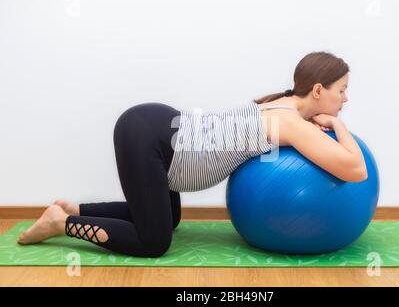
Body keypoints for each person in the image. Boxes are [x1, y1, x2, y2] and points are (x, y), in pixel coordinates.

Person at [17, 51, 366, 257]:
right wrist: (340, 128)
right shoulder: (290, 121)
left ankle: (72, 209)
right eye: (342, 90)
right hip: (150, 137)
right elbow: (354, 170)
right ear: (318, 90)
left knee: (167, 218)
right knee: (154, 241)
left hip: (157, 129)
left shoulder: (282, 105)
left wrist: (325, 121)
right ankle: (61, 224)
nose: (345, 100)